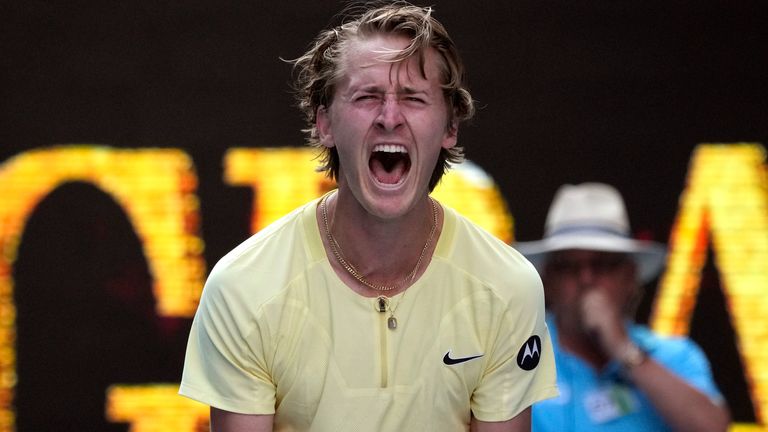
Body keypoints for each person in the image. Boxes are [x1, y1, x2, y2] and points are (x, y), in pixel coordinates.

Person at [179, 2, 558, 431]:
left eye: (413, 98)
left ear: (450, 127)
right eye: (367, 96)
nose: (390, 118)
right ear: (325, 123)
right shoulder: (242, 287)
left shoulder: (509, 287)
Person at [515, 183, 730, 432]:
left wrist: (622, 348)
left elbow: (714, 428)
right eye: (569, 267)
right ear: (547, 280)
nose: (586, 279)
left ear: (630, 277)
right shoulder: (518, 357)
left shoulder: (675, 355)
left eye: (603, 265)